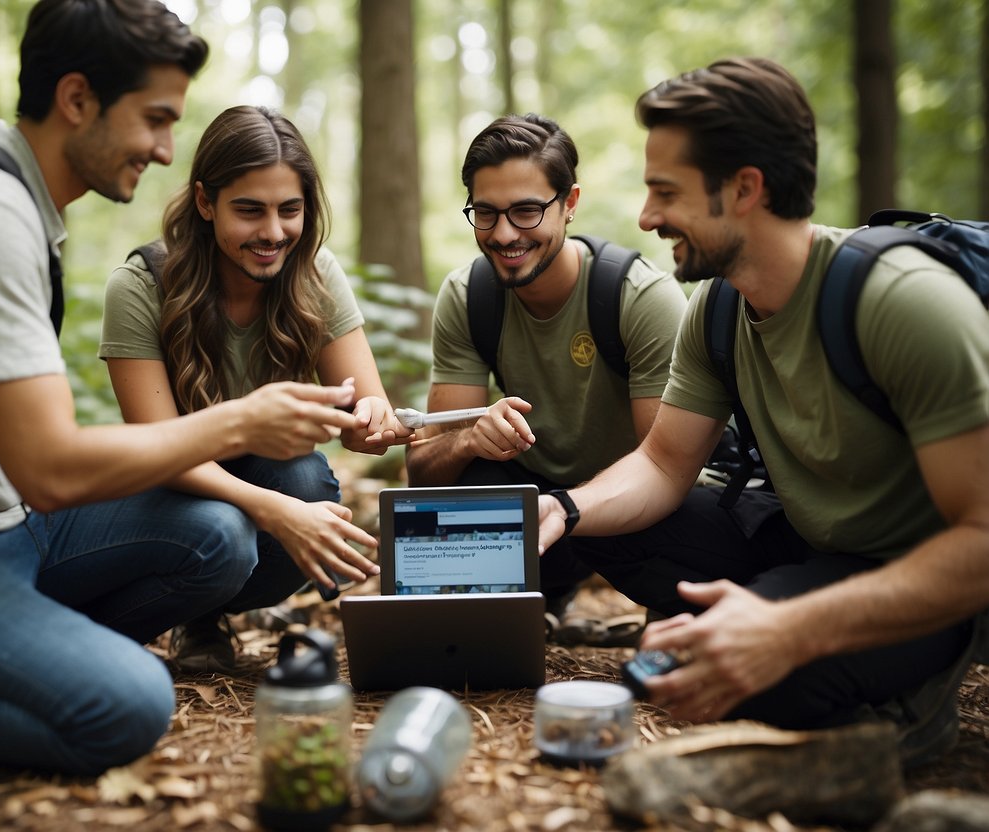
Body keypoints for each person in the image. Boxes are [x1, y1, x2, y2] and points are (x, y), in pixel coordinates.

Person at [0, 0, 370, 776]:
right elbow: (51, 470)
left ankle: (9, 647)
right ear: (78, 99)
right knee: (125, 705)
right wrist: (241, 421)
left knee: (217, 538)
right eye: (154, 120)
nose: (164, 151)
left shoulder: (6, 190)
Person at [537, 57, 989, 766]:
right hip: (807, 540)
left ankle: (908, 697)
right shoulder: (716, 306)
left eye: (665, 192)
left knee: (764, 682)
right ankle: (753, 613)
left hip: (919, 574)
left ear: (744, 188)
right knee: (594, 518)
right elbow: (662, 461)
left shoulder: (903, 304)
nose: (646, 217)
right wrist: (564, 508)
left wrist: (790, 629)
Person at [100, 104, 412, 674]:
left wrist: (372, 420)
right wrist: (278, 514)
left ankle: (208, 608)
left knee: (308, 482)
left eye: (289, 210)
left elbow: (372, 411)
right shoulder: (141, 286)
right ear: (204, 202)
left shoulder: (314, 273)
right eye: (249, 211)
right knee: (240, 530)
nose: (273, 233)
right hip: (168, 488)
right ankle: (121, 620)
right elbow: (159, 451)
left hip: (264, 476)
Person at [404, 114, 685, 637]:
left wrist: (575, 507)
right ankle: (531, 602)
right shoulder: (469, 297)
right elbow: (423, 471)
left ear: (570, 203)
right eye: (485, 214)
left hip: (626, 512)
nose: (505, 234)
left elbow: (669, 471)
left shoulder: (641, 298)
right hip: (533, 521)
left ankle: (662, 616)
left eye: (527, 211)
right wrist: (468, 438)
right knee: (459, 489)